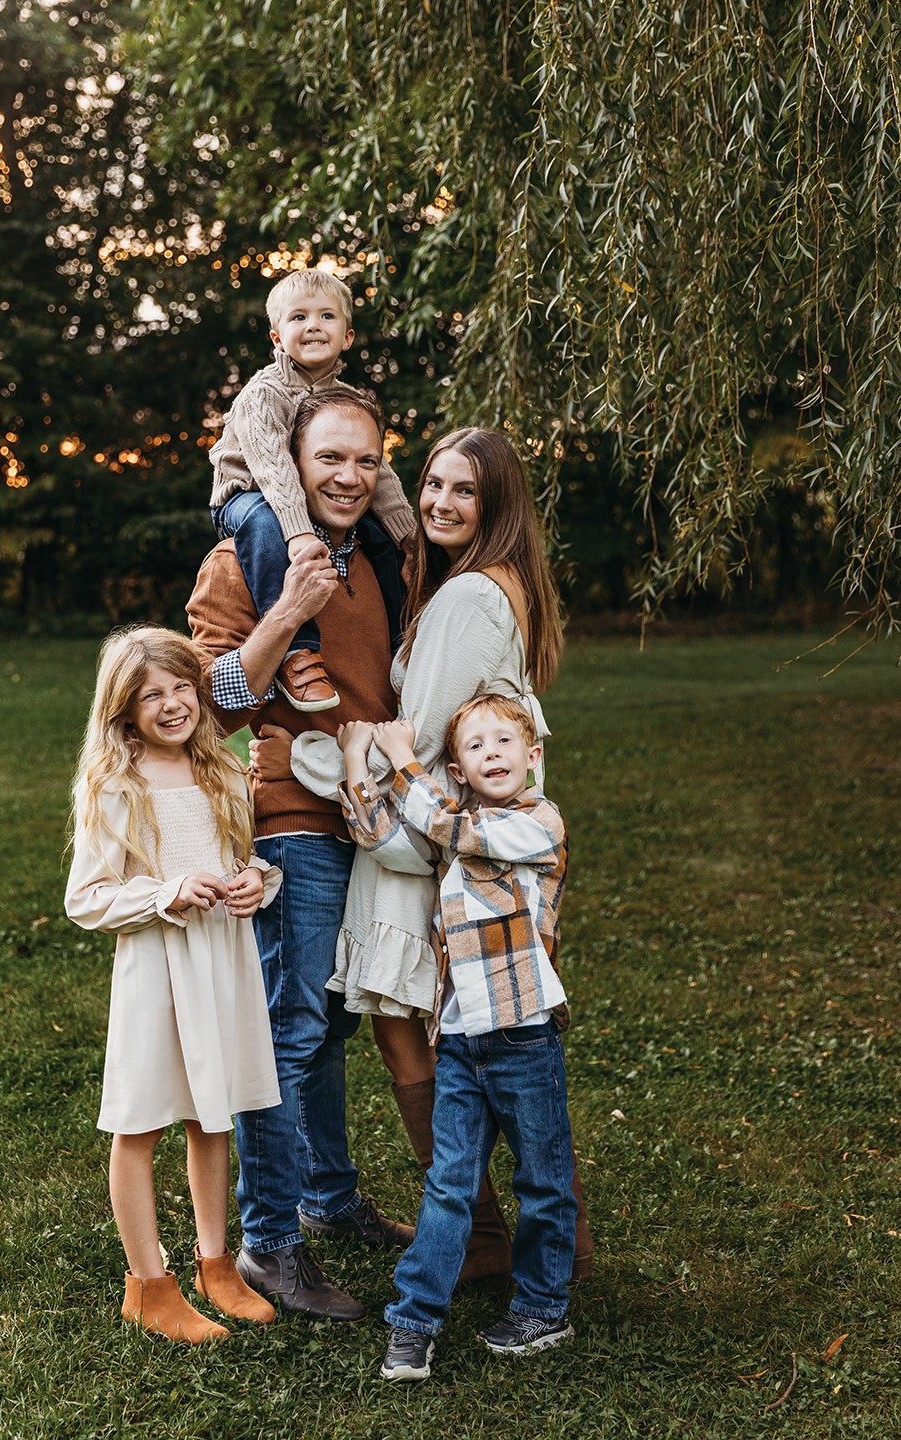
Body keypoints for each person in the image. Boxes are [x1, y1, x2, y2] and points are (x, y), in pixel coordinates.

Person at [261, 426, 593, 1284]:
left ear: (498, 506)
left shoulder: (467, 600)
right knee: (453, 1030)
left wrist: (338, 751)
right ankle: (502, 1234)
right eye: (433, 484)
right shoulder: (498, 586)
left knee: (425, 1035)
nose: (441, 503)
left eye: (464, 492)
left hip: (426, 836)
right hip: (451, 836)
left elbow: (421, 737)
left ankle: (502, 1236)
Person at [187, 386, 414, 1322]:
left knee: (332, 1023)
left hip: (375, 813)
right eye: (331, 459)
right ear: (293, 460)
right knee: (289, 1029)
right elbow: (215, 702)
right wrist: (290, 611)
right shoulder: (242, 556)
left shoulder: (386, 563)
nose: (350, 477)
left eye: (366, 460)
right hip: (289, 816)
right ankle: (271, 1245)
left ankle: (329, 1195)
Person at [337, 699, 576, 1381]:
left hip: (524, 1034)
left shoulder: (536, 823)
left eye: (507, 740)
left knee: (543, 1181)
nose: (494, 751)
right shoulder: (453, 829)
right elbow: (388, 838)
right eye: (476, 745)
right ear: (461, 769)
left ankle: (542, 1307)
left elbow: (440, 821)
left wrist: (404, 760)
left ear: (533, 756)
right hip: (463, 1043)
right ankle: (414, 1324)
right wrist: (359, 760)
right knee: (448, 1185)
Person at [65, 626, 282, 1343]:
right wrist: (164, 892)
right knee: (141, 1122)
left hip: (220, 960)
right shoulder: (117, 785)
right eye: (150, 695)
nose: (171, 704)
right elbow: (87, 897)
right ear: (124, 712)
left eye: (182, 687)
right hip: (158, 969)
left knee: (210, 1115)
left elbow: (240, 858)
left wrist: (255, 881)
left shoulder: (218, 769)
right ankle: (147, 1285)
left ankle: (216, 1265)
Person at [209, 267, 416, 712]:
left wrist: (409, 535)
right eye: (298, 317)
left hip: (377, 761)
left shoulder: (348, 402)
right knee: (265, 522)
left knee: (383, 540)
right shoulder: (262, 393)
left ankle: (405, 641)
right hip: (247, 495)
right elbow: (274, 468)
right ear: (277, 338)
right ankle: (298, 651)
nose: (313, 326)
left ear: (347, 336)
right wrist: (300, 533)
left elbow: (381, 475)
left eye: (326, 316)